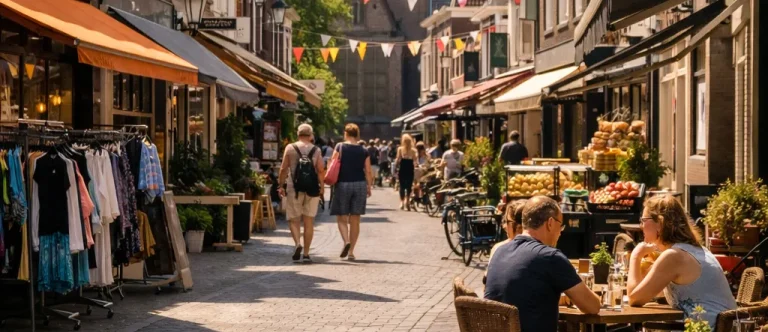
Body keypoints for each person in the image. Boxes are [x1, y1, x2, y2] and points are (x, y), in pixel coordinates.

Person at [485, 196, 601, 332]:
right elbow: (592, 307)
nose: (560, 232)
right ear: (550, 223)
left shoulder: (499, 251)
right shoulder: (550, 257)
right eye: (561, 225)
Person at [627, 195, 736, 329]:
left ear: (660, 223)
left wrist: (635, 256)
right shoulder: (693, 249)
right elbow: (650, 291)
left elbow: (634, 298)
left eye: (644, 220)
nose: (641, 226)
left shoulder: (674, 256)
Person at [277, 124, 325, 263]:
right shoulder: (316, 150)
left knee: (294, 219)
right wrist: (322, 187)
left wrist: (281, 185)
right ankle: (307, 254)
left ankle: (298, 243)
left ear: (298, 134)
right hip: (312, 189)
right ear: (311, 135)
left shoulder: (290, 147)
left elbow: (283, 169)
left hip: (294, 188)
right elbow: (320, 170)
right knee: (309, 221)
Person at [329, 124, 373, 261]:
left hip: (343, 183)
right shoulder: (364, 150)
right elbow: (368, 170)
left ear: (346, 133)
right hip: (360, 184)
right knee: (355, 220)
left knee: (341, 217)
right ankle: (351, 252)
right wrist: (369, 186)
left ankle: (346, 241)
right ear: (357, 134)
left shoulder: (340, 147)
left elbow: (332, 163)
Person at [484, 199, 526, 284]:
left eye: (507, 221)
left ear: (519, 226)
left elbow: (487, 283)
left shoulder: (499, 248)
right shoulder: (543, 249)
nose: (504, 226)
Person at [395, 134, 417, 211]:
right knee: (408, 186)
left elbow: (398, 159)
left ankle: (403, 202)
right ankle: (406, 201)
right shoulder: (413, 150)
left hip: (404, 168)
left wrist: (395, 166)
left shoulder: (401, 149)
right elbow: (415, 160)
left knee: (403, 186)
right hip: (408, 168)